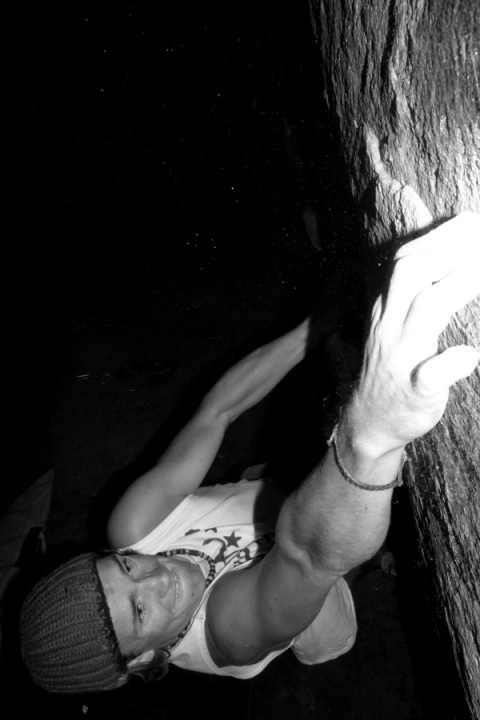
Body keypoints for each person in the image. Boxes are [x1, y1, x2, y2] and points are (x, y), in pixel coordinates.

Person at [20, 213, 480, 694]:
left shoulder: (132, 528)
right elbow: (308, 557)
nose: (155, 575)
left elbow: (216, 411)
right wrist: (373, 433)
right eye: (139, 612)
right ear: (138, 662)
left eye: (125, 567)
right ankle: (380, 559)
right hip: (311, 594)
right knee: (339, 572)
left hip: (279, 499)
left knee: (286, 486)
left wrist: (314, 328)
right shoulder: (228, 635)